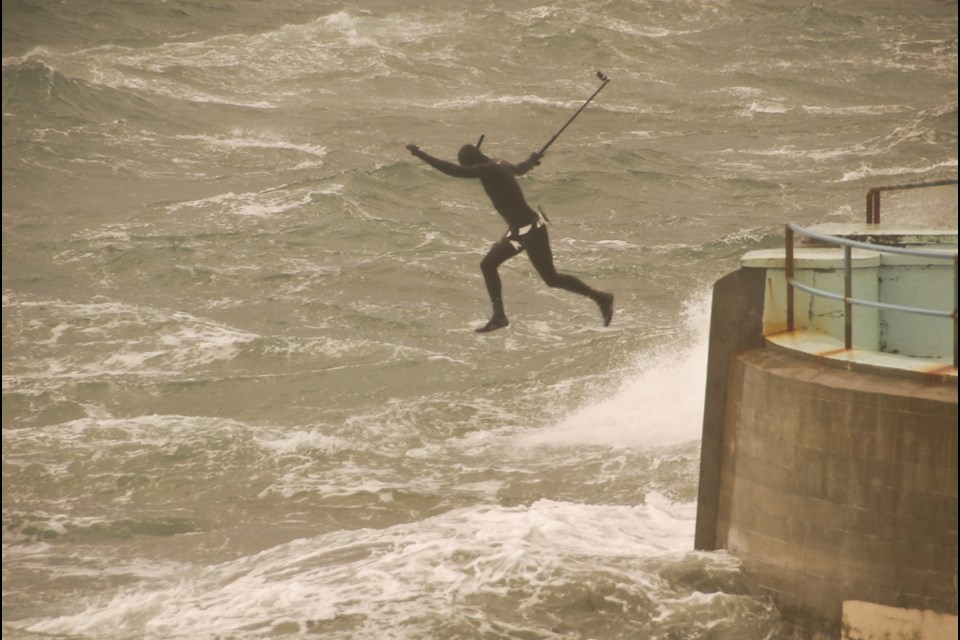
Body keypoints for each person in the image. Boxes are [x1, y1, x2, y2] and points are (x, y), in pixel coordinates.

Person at [405, 141, 614, 332]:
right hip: (518, 232)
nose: (469, 171)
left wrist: (421, 154)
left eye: (467, 166)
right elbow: (521, 168)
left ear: (471, 162)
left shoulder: (486, 169)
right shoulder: (499, 164)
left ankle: (601, 297)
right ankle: (499, 316)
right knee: (488, 265)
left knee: (551, 279)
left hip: (531, 231)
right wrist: (532, 160)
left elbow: (452, 170)